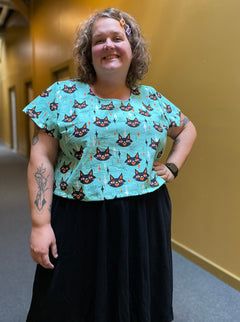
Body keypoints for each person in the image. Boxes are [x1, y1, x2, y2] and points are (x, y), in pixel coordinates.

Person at [23, 7, 197, 322]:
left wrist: (172, 166)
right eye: (99, 40)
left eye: (117, 37)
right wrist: (40, 224)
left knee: (135, 297)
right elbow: (41, 158)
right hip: (78, 215)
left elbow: (187, 128)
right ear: (88, 53)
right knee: (68, 300)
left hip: (143, 216)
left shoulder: (152, 100)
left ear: (133, 49)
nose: (109, 45)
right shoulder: (61, 96)